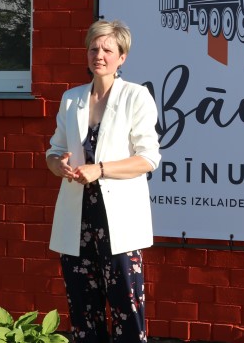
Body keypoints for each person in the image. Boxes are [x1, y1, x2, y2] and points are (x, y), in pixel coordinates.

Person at [45, 19, 161, 343]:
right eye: (93, 48)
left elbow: (148, 158)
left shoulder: (136, 96)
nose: (99, 55)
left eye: (108, 50)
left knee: (127, 310)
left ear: (122, 57)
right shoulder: (71, 99)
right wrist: (58, 164)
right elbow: (54, 151)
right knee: (83, 312)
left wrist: (101, 169)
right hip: (77, 219)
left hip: (118, 221)